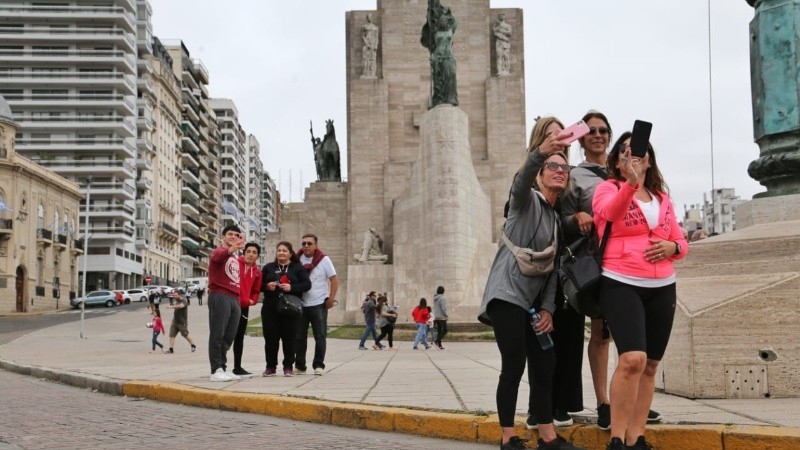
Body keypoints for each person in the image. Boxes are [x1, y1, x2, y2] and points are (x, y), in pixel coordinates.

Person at [477, 117, 585, 450]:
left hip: (533, 304)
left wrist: (549, 309)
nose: (559, 171)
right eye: (552, 166)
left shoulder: (555, 219)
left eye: (563, 169)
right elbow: (521, 179)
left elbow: (552, 271)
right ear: (540, 174)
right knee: (514, 362)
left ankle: (547, 434)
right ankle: (508, 436)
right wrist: (539, 153)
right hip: (507, 296)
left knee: (545, 362)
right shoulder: (524, 203)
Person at [593, 133, 687, 450]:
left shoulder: (662, 197)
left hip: (663, 285)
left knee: (650, 366)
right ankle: (617, 438)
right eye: (624, 151)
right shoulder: (608, 189)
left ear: (649, 158)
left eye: (638, 151)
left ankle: (637, 437)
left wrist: (673, 246)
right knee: (632, 358)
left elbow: (681, 242)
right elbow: (609, 214)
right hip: (621, 280)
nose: (631, 156)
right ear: (616, 160)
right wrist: (631, 184)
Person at [261, 241, 311, 377]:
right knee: (271, 338)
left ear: (290, 253)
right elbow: (258, 284)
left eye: (284, 251)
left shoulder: (297, 268)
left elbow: (307, 284)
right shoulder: (268, 267)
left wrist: (292, 288)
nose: (281, 253)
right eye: (279, 250)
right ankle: (270, 367)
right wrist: (267, 286)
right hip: (270, 308)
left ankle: (288, 367)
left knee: (289, 339)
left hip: (291, 307)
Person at [294, 233, 338, 376]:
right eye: (304, 243)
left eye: (309, 243)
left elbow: (334, 280)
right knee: (299, 337)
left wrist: (331, 298)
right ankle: (300, 366)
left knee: (320, 336)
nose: (306, 246)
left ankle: (318, 365)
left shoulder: (324, 260)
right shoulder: (296, 259)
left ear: (316, 245)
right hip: (300, 304)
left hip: (319, 304)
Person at [207, 225, 244, 382]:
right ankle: (216, 369)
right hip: (219, 295)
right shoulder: (219, 251)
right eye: (230, 234)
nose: (233, 237)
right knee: (218, 333)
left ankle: (223, 366)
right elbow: (218, 257)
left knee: (229, 335)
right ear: (223, 236)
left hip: (234, 298)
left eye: (236, 235)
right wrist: (232, 249)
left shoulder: (234, 258)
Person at [420, 0, 458, 108]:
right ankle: (439, 99)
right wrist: (431, 8)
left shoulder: (451, 29)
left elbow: (454, 20)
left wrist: (446, 10)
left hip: (449, 56)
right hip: (437, 56)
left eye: (445, 18)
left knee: (451, 74)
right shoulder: (435, 31)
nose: (443, 20)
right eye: (441, 18)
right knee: (438, 81)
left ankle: (451, 98)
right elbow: (430, 19)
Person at [232, 242, 262, 377]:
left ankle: (237, 367)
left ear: (257, 256)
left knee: (239, 337)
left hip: (244, 308)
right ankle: (219, 366)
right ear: (243, 253)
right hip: (231, 304)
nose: (251, 254)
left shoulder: (257, 272)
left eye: (254, 252)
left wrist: (253, 301)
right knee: (225, 336)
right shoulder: (234, 264)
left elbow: (256, 291)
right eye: (248, 251)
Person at [361, 13, 379, 79]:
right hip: (367, 45)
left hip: (373, 45)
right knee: (365, 59)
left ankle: (372, 74)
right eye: (368, 17)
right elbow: (363, 36)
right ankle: (365, 74)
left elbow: (377, 37)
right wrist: (366, 44)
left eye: (371, 17)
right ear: (367, 18)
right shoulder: (364, 27)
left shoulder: (375, 28)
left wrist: (375, 45)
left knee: (372, 60)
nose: (370, 18)